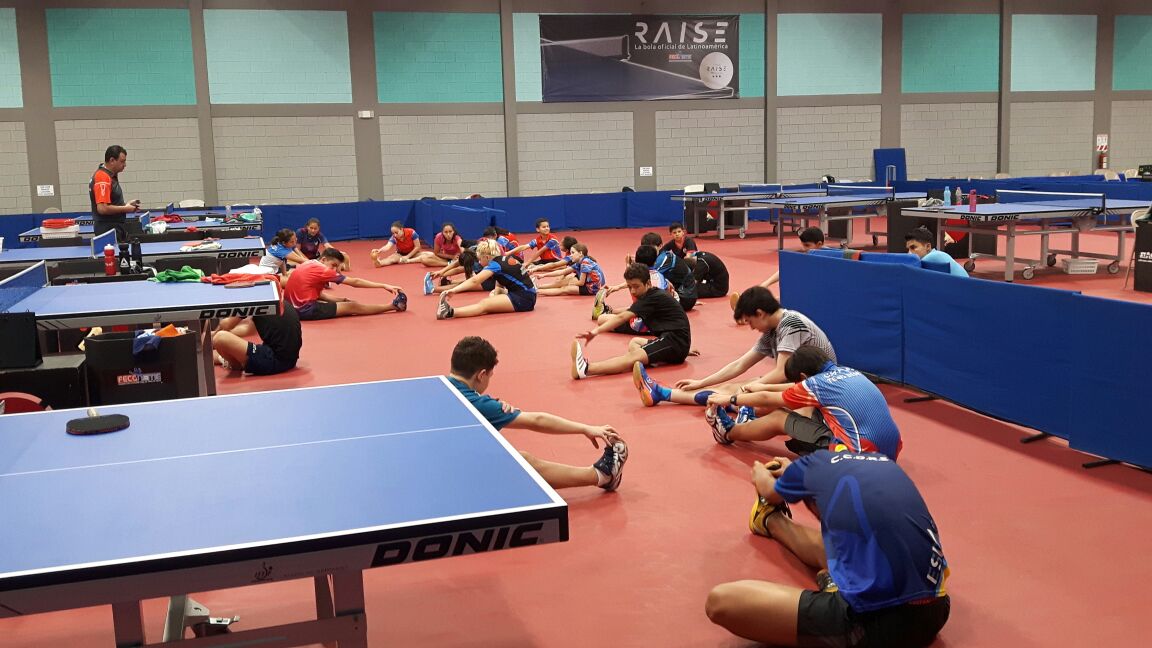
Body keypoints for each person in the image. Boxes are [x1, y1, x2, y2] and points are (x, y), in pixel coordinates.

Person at [705, 451, 950, 647]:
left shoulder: (814, 466)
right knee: (853, 539)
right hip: (937, 611)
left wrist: (759, 472)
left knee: (720, 602)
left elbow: (769, 490)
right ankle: (770, 523)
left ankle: (772, 521)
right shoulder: (882, 463)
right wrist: (795, 472)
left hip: (874, 625)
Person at [447, 336, 628, 491]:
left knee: (514, 456)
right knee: (522, 463)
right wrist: (585, 428)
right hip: (456, 479)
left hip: (441, 464)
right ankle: (603, 475)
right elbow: (537, 420)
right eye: (490, 376)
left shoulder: (438, 387)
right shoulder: (480, 406)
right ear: (481, 375)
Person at [632, 286, 835, 407]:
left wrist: (747, 389)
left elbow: (781, 372)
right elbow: (740, 364)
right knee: (730, 388)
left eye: (750, 321)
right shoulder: (772, 330)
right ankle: (661, 393)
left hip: (820, 389)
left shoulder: (791, 324)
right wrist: (701, 382)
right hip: (799, 383)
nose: (751, 327)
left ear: (760, 313)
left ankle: (663, 394)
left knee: (738, 393)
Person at [704, 345, 902, 460]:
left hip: (858, 459)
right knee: (813, 409)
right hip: (890, 453)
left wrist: (730, 399)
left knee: (778, 417)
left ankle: (728, 432)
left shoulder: (816, 385)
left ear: (804, 376)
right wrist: (760, 387)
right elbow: (793, 389)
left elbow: (766, 399)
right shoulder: (846, 371)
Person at [571, 263, 691, 380]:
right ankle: (651, 358)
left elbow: (621, 318)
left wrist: (595, 332)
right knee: (635, 342)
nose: (632, 291)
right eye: (629, 287)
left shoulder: (652, 298)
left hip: (675, 342)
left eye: (636, 286)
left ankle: (586, 369)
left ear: (648, 283)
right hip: (674, 340)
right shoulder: (650, 295)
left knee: (632, 357)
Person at [285, 249, 407, 320]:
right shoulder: (323, 270)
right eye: (333, 265)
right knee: (352, 306)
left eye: (337, 267)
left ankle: (344, 302)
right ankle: (394, 306)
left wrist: (342, 300)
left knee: (345, 302)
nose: (335, 269)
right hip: (304, 310)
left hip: (291, 308)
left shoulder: (310, 262)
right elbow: (355, 282)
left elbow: (319, 295)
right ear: (323, 260)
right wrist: (384, 285)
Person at [437, 239, 536, 319]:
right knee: (492, 298)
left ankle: (449, 312)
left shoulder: (495, 265)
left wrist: (454, 290)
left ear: (487, 257)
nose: (479, 262)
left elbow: (475, 281)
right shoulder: (503, 259)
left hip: (524, 299)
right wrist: (496, 292)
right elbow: (500, 283)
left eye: (480, 259)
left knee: (485, 304)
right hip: (527, 294)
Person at [212, 302, 302, 376]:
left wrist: (213, 336)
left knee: (220, 338)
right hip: (290, 360)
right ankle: (225, 359)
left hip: (275, 359)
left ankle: (236, 365)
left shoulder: (252, 302)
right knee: (217, 350)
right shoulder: (272, 300)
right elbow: (249, 329)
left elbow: (226, 324)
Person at [753, 227, 827, 301]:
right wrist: (766, 283)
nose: (803, 249)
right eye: (803, 245)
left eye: (807, 245)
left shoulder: (828, 260)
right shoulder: (805, 257)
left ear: (819, 244)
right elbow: (786, 269)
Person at [90, 145, 141, 241]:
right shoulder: (103, 177)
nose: (125, 164)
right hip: (108, 230)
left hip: (115, 228)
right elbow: (102, 208)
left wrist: (126, 205)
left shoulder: (110, 176)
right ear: (112, 160)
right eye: (122, 161)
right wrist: (126, 209)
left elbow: (111, 203)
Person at [642, 234, 697, 311]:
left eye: (651, 248)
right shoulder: (656, 257)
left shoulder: (664, 258)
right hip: (678, 292)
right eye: (645, 248)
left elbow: (647, 276)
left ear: (660, 246)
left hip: (685, 297)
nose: (648, 251)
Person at [535, 243, 606, 297]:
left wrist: (570, 284)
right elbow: (563, 271)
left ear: (580, 253)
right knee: (563, 281)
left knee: (564, 289)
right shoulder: (579, 262)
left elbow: (581, 283)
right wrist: (543, 275)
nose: (571, 255)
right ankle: (538, 287)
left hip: (592, 288)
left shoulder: (585, 262)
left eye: (573, 253)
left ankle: (535, 292)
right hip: (586, 282)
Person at [905, 227, 969, 277]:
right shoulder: (938, 254)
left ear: (928, 246)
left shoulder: (933, 256)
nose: (909, 253)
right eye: (908, 249)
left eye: (913, 247)